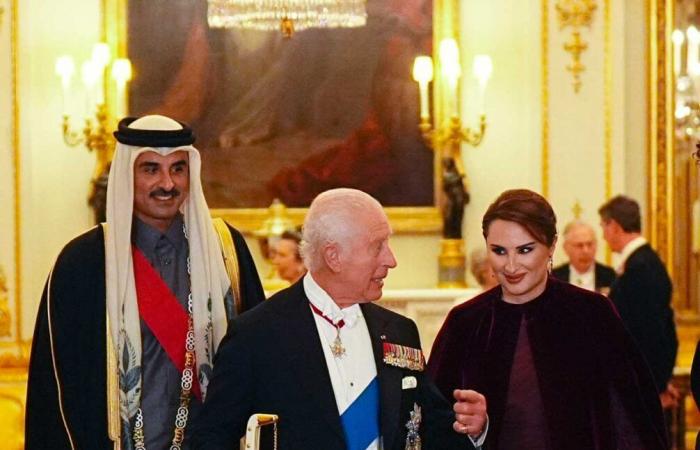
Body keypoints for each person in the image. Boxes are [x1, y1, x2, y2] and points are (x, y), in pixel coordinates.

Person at [25, 115, 265, 449]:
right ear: (127, 176)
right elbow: (55, 392)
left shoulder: (227, 253)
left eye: (178, 169)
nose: (167, 183)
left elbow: (261, 366)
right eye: (151, 169)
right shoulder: (82, 263)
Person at [191, 188, 488, 449]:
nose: (391, 260)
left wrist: (474, 428)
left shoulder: (399, 331)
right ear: (334, 256)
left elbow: (429, 429)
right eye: (377, 246)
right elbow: (212, 436)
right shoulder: (257, 334)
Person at [428, 189, 668, 449]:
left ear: (552, 246)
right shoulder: (465, 323)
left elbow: (632, 423)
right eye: (499, 251)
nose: (510, 266)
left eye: (525, 250)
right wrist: (475, 432)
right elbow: (429, 423)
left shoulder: (593, 314)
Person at [599, 195, 679, 409]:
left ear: (614, 226)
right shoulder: (643, 263)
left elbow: (649, 334)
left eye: (603, 227)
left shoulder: (640, 268)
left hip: (639, 386)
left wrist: (657, 384)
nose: (604, 236)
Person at [551, 220, 616, 294]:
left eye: (590, 244)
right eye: (579, 245)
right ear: (566, 248)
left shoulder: (609, 275)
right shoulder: (554, 277)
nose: (586, 251)